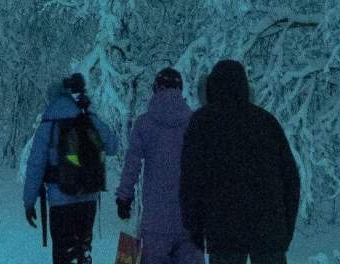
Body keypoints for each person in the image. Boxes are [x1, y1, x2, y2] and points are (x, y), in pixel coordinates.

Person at [178, 59, 301, 264]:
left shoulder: (203, 122)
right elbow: (291, 179)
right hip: (269, 231)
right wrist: (284, 231)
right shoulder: (266, 122)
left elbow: (192, 180)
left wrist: (194, 227)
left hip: (224, 231)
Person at [23, 72, 121, 264]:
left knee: (64, 254)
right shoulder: (86, 117)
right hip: (88, 197)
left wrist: (29, 201)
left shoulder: (49, 123)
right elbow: (112, 146)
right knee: (82, 251)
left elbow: (35, 165)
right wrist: (89, 112)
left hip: (60, 201)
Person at [114, 66, 194, 264]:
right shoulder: (193, 122)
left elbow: (132, 164)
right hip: (189, 221)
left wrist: (124, 198)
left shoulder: (144, 124)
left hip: (155, 222)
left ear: (156, 89)